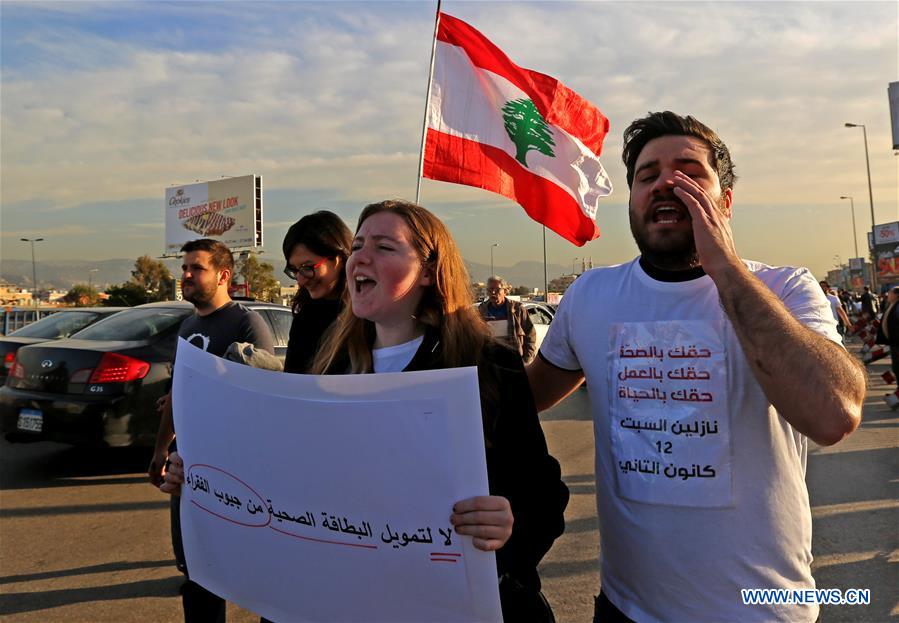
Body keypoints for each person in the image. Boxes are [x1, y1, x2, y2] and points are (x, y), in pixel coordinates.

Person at [526, 111, 866, 622]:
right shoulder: (591, 295)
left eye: (688, 170)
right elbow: (521, 398)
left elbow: (834, 414)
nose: (666, 183)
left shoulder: (786, 288)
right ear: (633, 204)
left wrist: (723, 267)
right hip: (624, 610)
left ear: (724, 201)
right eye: (647, 176)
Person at [311, 199, 568, 620]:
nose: (361, 257)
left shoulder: (487, 365)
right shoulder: (331, 367)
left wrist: (511, 522)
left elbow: (544, 495)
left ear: (429, 271)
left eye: (384, 246)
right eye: (357, 246)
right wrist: (198, 473)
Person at [151, 238, 275, 623]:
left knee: (250, 572)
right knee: (195, 572)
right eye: (184, 267)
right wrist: (160, 451)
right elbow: (178, 395)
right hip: (186, 467)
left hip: (231, 471)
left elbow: (262, 399)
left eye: (196, 268)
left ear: (223, 276)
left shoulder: (245, 324)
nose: (185, 275)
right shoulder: (188, 325)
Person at [281, 211, 352, 374]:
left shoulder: (369, 316)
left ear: (338, 258)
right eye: (294, 270)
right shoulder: (305, 317)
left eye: (307, 267)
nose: (301, 280)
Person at [477, 276, 537, 363]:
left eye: (497, 290)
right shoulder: (482, 310)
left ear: (505, 291)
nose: (493, 292)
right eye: (490, 290)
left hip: (513, 359)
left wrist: (526, 359)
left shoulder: (517, 309)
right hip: (490, 361)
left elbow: (530, 334)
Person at [876, 286, 899, 379]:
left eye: (890, 293)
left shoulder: (897, 306)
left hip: (897, 343)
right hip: (894, 342)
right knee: (896, 368)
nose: (888, 295)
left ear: (897, 295)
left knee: (897, 368)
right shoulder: (893, 305)